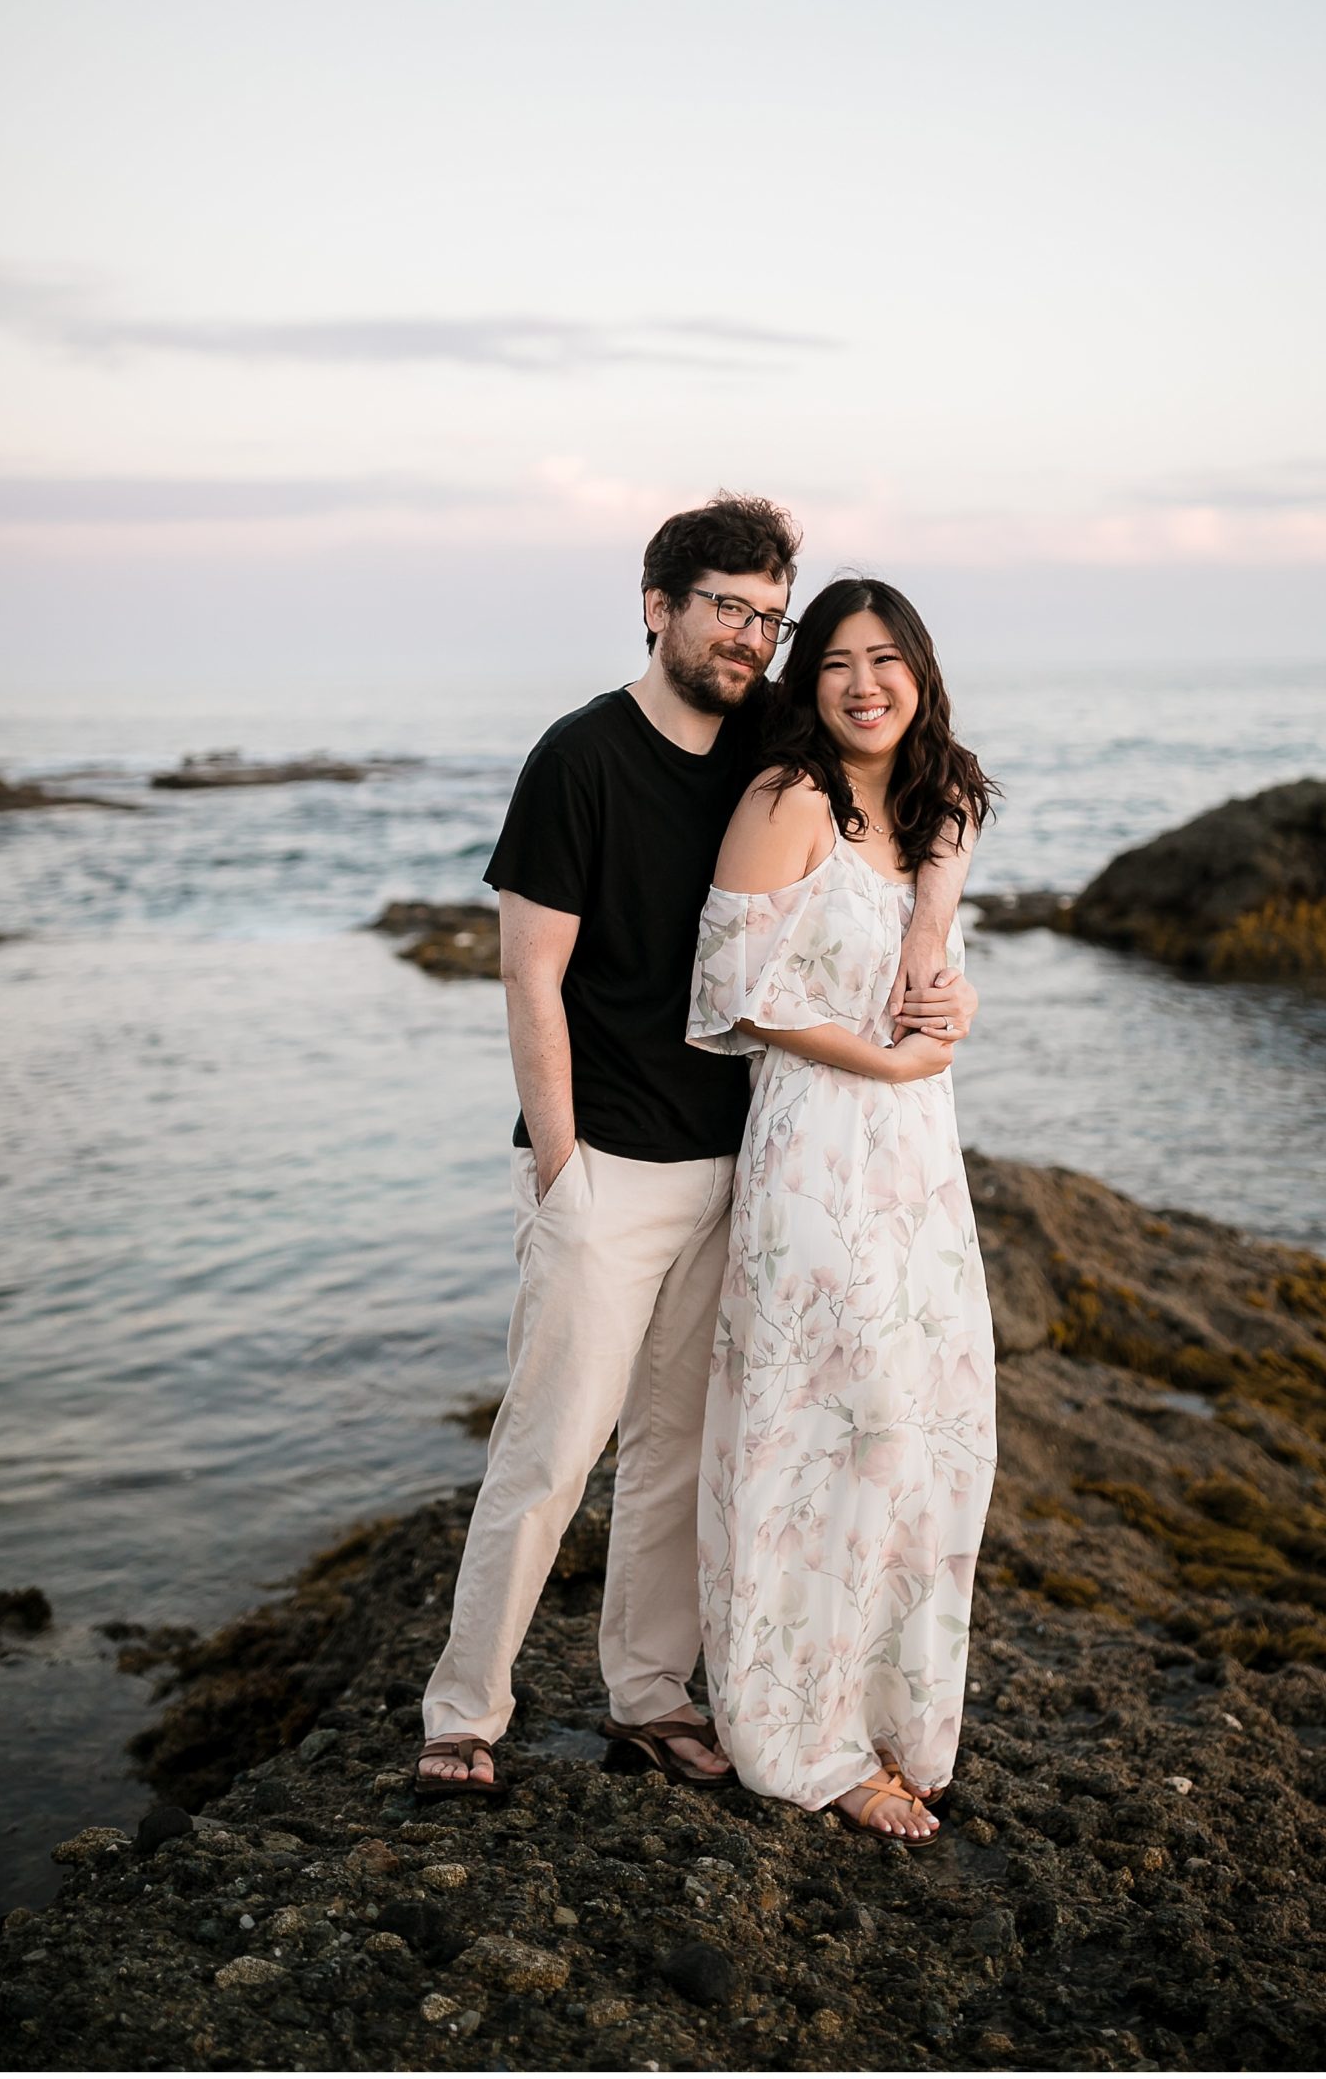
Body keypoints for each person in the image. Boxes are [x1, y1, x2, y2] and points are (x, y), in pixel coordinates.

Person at [416, 498, 980, 1795]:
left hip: (742, 1171)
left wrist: (934, 952)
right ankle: (462, 1715)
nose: (749, 635)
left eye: (766, 617)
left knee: (677, 1455)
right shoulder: (578, 758)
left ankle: (649, 1700)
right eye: (725, 606)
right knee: (551, 1451)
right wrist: (558, 1170)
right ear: (658, 605)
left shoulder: (765, 757)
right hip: (605, 1168)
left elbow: (925, 797)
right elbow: (529, 978)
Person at [686, 576, 999, 1843]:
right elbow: (736, 994)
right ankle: (801, 1739)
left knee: (927, 1427)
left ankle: (890, 1715)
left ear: (920, 671)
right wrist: (886, 1059)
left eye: (888, 659)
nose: (865, 683)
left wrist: (950, 989)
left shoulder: (928, 808)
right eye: (835, 663)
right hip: (817, 1145)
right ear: (804, 682)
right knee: (827, 1428)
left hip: (920, 1157)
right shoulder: (786, 798)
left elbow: (932, 979)